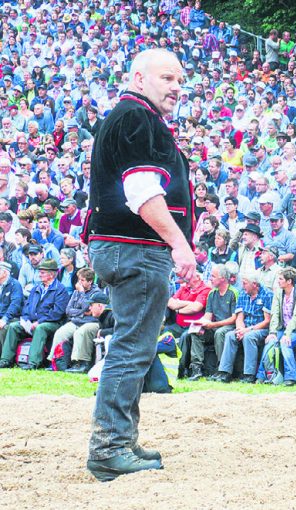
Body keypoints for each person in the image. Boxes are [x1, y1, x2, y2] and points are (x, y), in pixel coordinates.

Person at [83, 50, 196, 481]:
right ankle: (111, 446)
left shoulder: (130, 116)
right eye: (167, 77)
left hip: (124, 246)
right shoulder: (136, 118)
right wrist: (179, 243)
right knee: (132, 348)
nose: (176, 87)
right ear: (138, 77)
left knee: (135, 346)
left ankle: (121, 439)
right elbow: (141, 188)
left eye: (180, 80)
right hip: (137, 246)